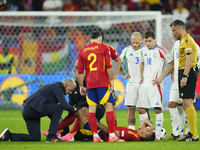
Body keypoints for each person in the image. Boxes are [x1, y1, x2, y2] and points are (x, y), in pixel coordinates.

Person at [78, 31, 124, 142]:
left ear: (90, 40)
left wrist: (81, 86)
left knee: (92, 111)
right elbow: (109, 66)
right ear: (100, 39)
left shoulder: (82, 51)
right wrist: (112, 80)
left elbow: (80, 71)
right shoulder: (104, 48)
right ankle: (112, 136)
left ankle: (95, 136)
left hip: (90, 84)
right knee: (109, 107)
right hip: (103, 83)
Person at [0, 78, 77, 142]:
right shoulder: (58, 87)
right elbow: (64, 105)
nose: (70, 93)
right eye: (70, 90)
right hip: (32, 109)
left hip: (29, 110)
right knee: (58, 107)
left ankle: (8, 135)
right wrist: (74, 109)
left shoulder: (54, 87)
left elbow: (49, 109)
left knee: (35, 138)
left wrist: (58, 119)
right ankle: (51, 137)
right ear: (65, 85)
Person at [137, 30, 174, 140]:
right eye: (146, 41)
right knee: (141, 109)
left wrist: (161, 77)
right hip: (145, 83)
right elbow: (142, 62)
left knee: (157, 109)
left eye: (149, 41)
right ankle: (146, 133)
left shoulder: (161, 50)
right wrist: (142, 76)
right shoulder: (143, 50)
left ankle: (158, 134)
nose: (147, 43)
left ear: (154, 40)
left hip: (155, 84)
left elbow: (172, 64)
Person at [164, 35, 200, 140]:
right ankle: (176, 133)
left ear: (180, 29)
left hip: (187, 78)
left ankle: (189, 132)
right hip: (176, 79)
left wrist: (195, 67)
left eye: (174, 31)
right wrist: (172, 73)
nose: (173, 34)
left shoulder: (190, 42)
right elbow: (175, 60)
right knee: (171, 104)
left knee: (186, 104)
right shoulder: (175, 44)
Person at [62, 108, 155, 142]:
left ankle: (68, 134)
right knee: (85, 110)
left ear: (143, 135)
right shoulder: (137, 133)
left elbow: (112, 132)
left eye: (147, 130)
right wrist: (152, 127)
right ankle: (70, 134)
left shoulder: (131, 135)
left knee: (79, 111)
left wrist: (95, 122)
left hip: (98, 134)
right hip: (99, 131)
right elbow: (145, 121)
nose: (147, 128)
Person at [119, 32, 146, 130]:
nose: (135, 44)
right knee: (131, 108)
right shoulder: (126, 50)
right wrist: (123, 74)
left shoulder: (145, 50)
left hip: (143, 83)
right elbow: (119, 61)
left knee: (143, 108)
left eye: (137, 42)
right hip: (131, 83)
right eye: (133, 42)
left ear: (141, 41)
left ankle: (145, 130)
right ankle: (131, 130)